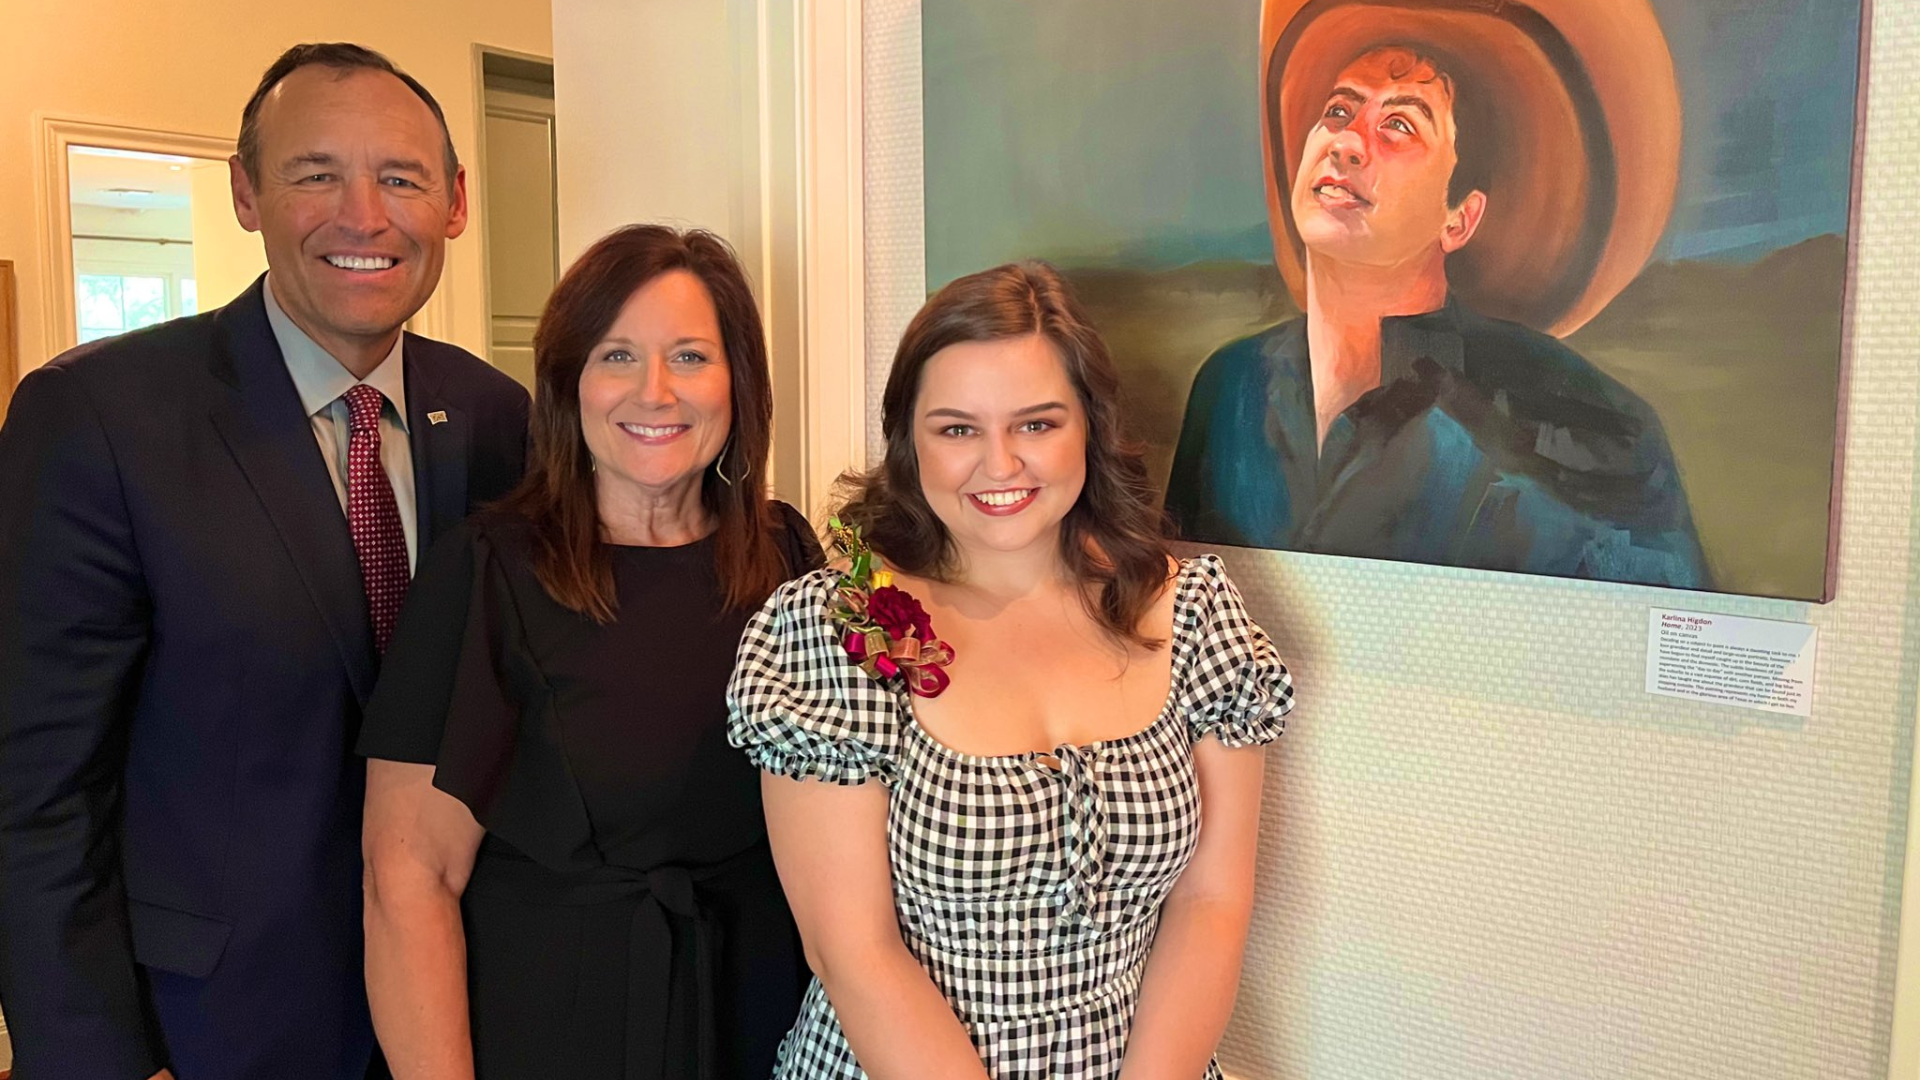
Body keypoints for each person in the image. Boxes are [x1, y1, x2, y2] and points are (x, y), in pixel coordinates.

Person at [0, 42, 530, 1080]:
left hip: (453, 1012)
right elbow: (36, 791)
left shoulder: (497, 418)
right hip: (205, 1033)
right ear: (247, 192)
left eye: (402, 178)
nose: (364, 217)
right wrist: (94, 1059)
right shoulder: (101, 418)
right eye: (316, 174)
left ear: (456, 203)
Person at [728, 261, 1292, 1078]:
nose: (1001, 464)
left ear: (1089, 430)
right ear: (909, 441)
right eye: (957, 429)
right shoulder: (830, 629)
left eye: (1036, 424)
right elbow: (852, 951)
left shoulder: (1196, 614)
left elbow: (1212, 903)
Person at [358, 225, 821, 1080]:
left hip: (767, 1019)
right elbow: (407, 878)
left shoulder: (787, 557)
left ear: (738, 382)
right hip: (554, 1025)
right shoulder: (488, 570)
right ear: (568, 383)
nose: (655, 392)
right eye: (616, 357)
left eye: (689, 357)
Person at [1166, 0, 1709, 589]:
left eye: (1399, 125)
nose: (1348, 142)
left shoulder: (1595, 429)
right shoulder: (1228, 388)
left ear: (1459, 218)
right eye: (1339, 109)